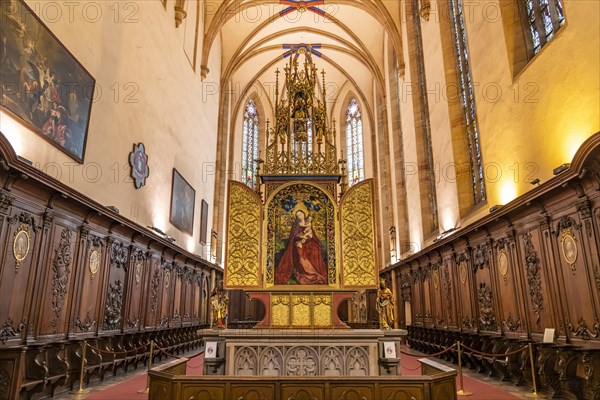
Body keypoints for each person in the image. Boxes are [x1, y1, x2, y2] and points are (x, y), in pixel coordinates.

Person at [274, 204, 328, 285]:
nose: (299, 216)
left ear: (304, 214)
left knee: (314, 250)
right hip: (297, 243)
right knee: (300, 251)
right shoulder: (295, 225)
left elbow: (311, 235)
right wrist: (300, 236)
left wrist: (308, 237)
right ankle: (306, 273)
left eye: (300, 214)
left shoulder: (308, 223)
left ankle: (314, 273)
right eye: (297, 215)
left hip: (309, 242)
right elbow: (293, 236)